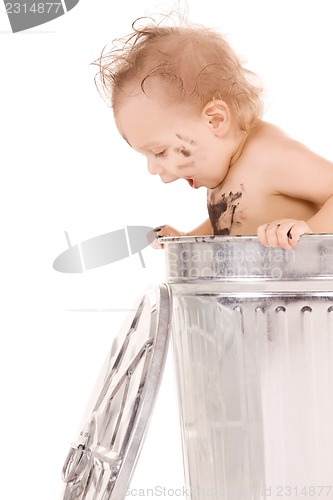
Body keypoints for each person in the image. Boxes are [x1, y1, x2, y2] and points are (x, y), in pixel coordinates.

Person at [94, 16, 333, 250]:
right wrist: (187, 238)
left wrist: (309, 229)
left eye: (159, 151)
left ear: (215, 119)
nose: (154, 170)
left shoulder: (271, 157)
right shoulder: (226, 162)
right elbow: (231, 220)